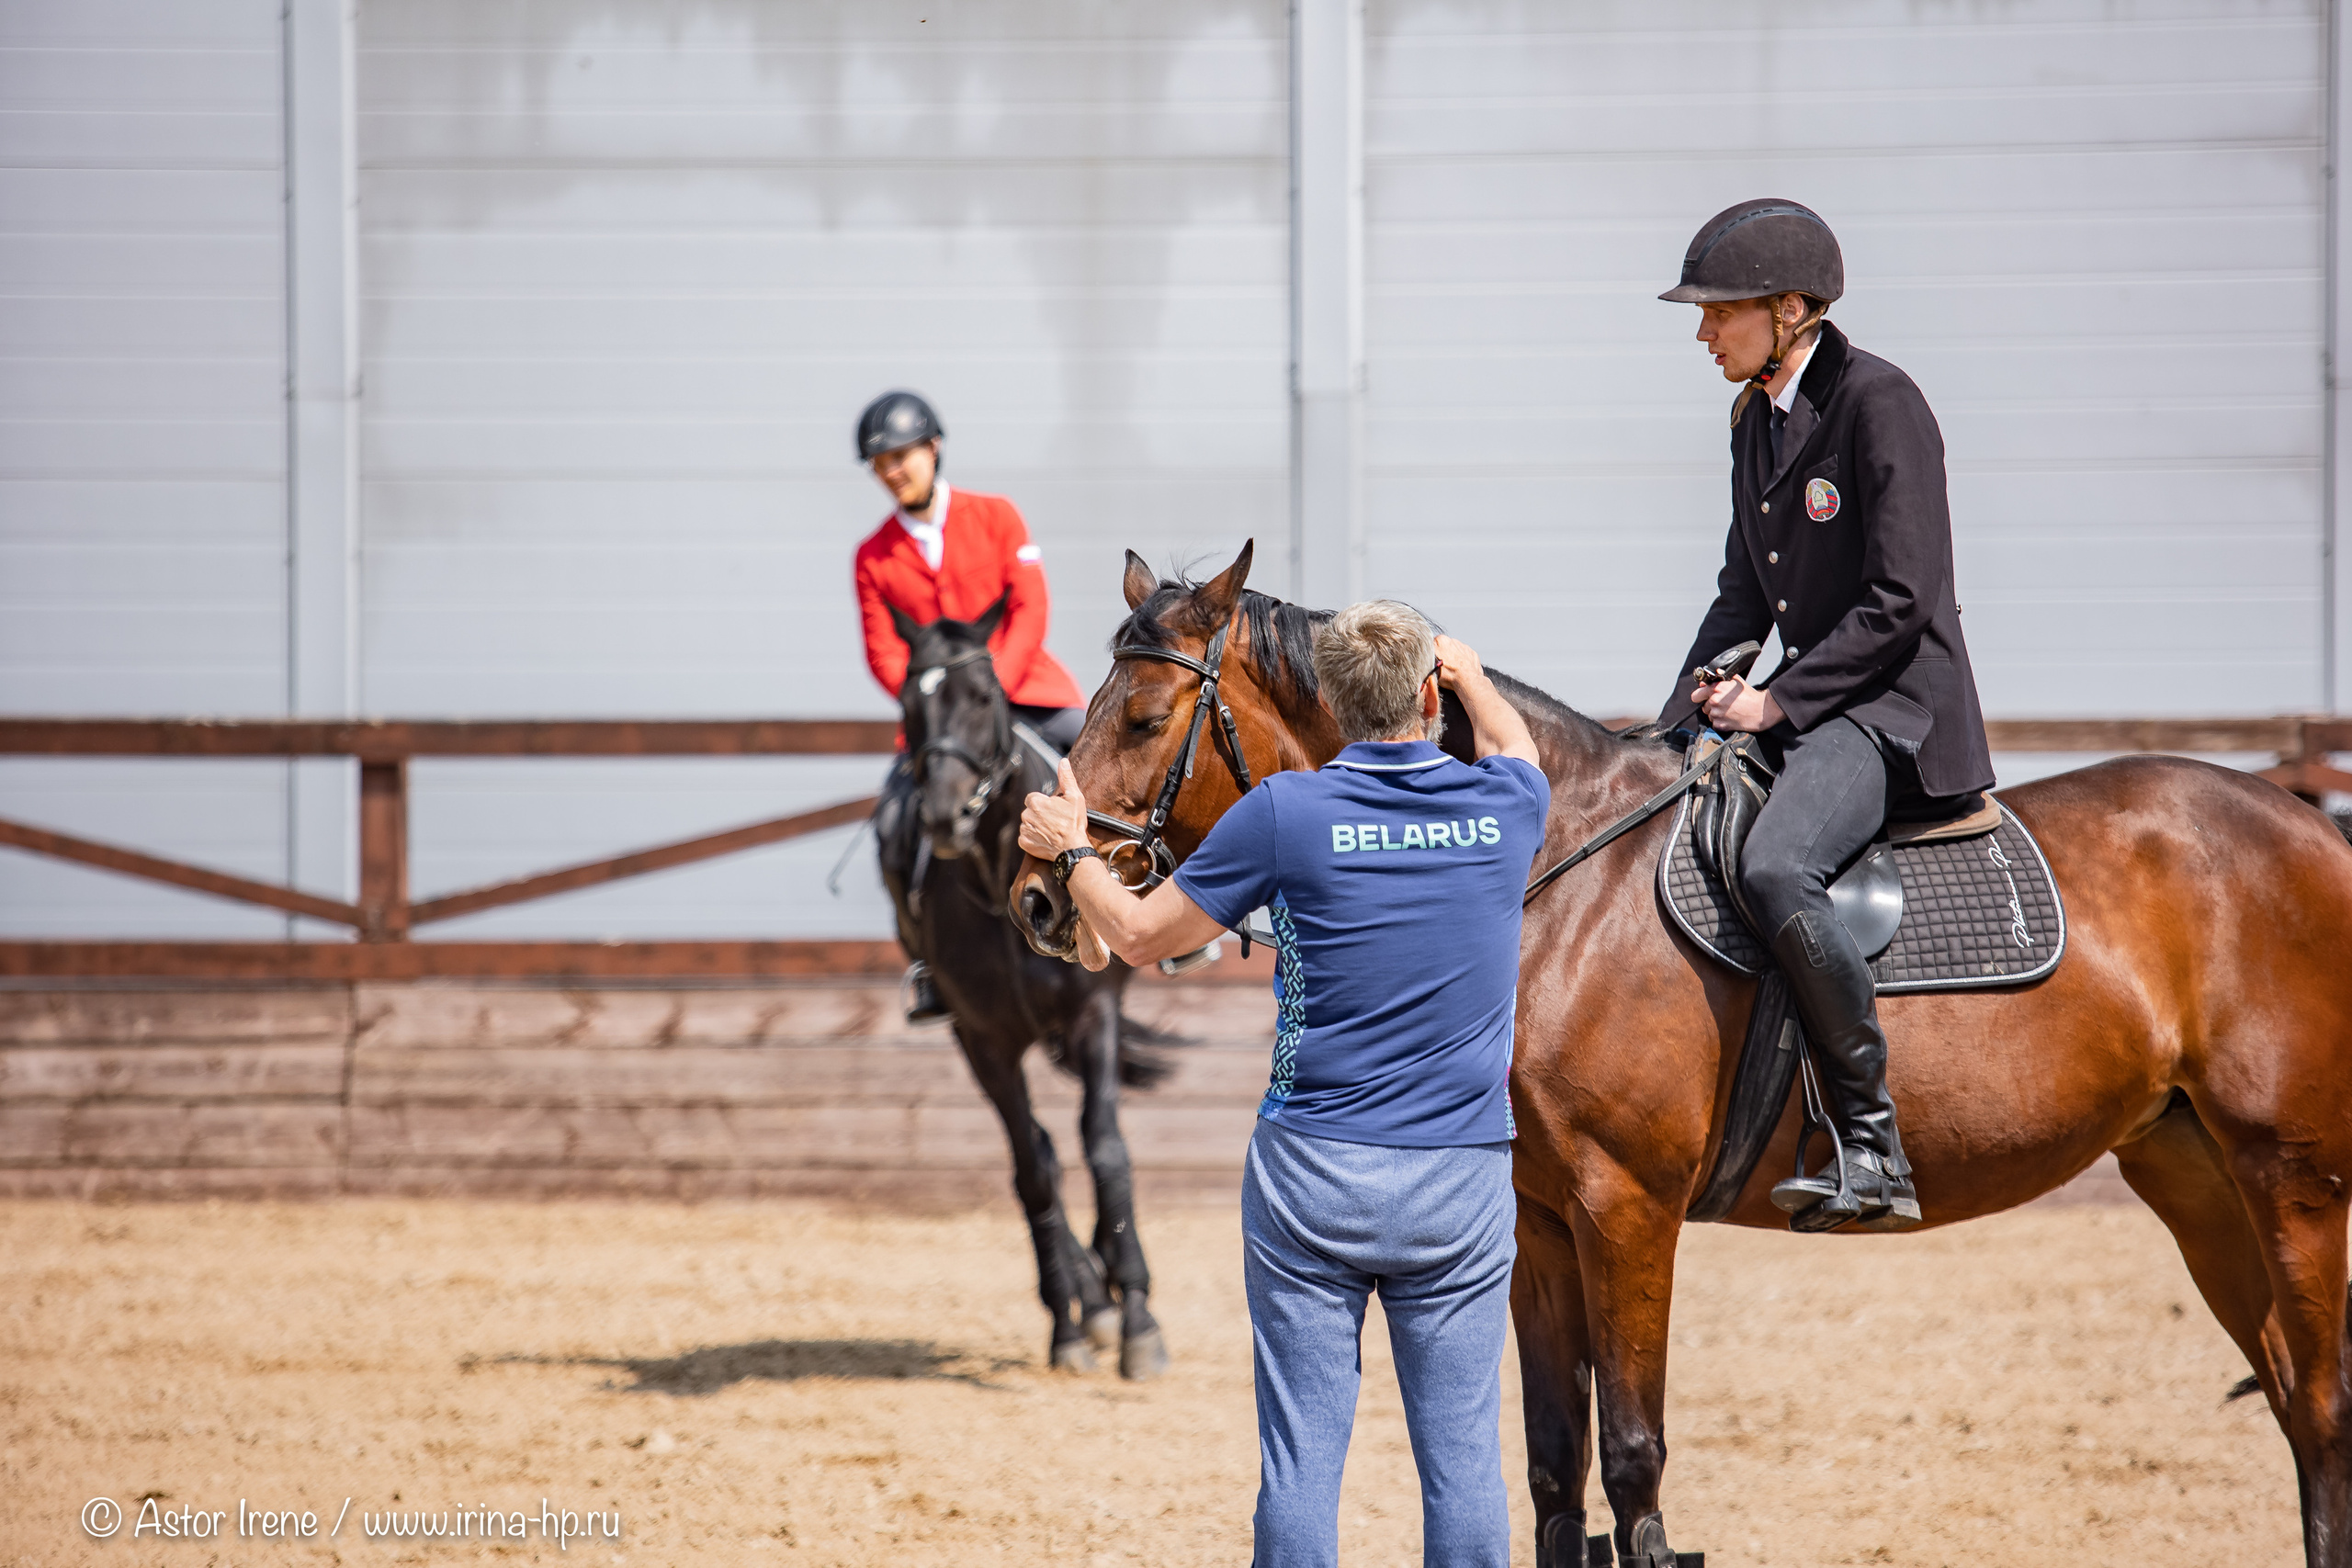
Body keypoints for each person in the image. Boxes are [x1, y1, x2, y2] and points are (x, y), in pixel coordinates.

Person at [1018, 603, 1548, 1568]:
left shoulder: (1284, 812)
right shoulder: (1506, 807)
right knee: (1466, 1463)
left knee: (1301, 1462)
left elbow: (1135, 936)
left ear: (1335, 705)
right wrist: (1472, 676)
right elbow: (1517, 746)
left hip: (1314, 1176)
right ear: (1427, 697)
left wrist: (1071, 848)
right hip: (1461, 1181)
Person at [1656, 198, 1995, 1233]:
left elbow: (1903, 598)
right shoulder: (1753, 420)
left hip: (1896, 706)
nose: (1702, 331)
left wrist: (1775, 699)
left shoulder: (1880, 404)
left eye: (1719, 311)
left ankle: (1870, 1142)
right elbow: (1743, 597)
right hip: (1817, 704)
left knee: (1772, 865)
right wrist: (1677, 722)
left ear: (1790, 310)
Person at [851, 389, 1087, 1022]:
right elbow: (883, 654)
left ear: (933, 449)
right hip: (941, 724)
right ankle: (926, 960)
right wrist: (941, 709)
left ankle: (1169, 921)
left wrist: (993, 691)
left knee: (1107, 760)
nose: (895, 471)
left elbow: (1030, 607)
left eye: (903, 456)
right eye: (883, 464)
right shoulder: (872, 557)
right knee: (894, 821)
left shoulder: (998, 517)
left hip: (1026, 689)